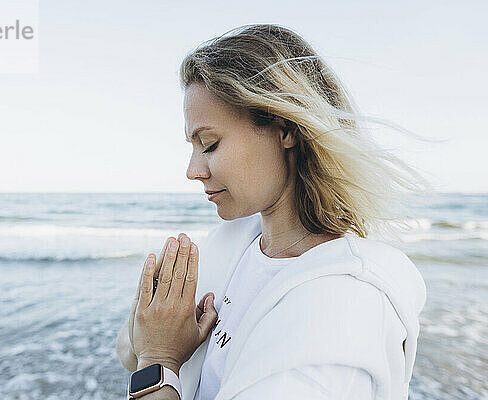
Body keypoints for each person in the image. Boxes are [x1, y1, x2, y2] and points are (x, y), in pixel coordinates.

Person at [117, 24, 429, 400]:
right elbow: (128, 346)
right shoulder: (236, 242)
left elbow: (146, 352)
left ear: (285, 129)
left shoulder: (341, 306)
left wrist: (158, 358)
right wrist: (152, 340)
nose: (193, 170)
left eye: (210, 144)